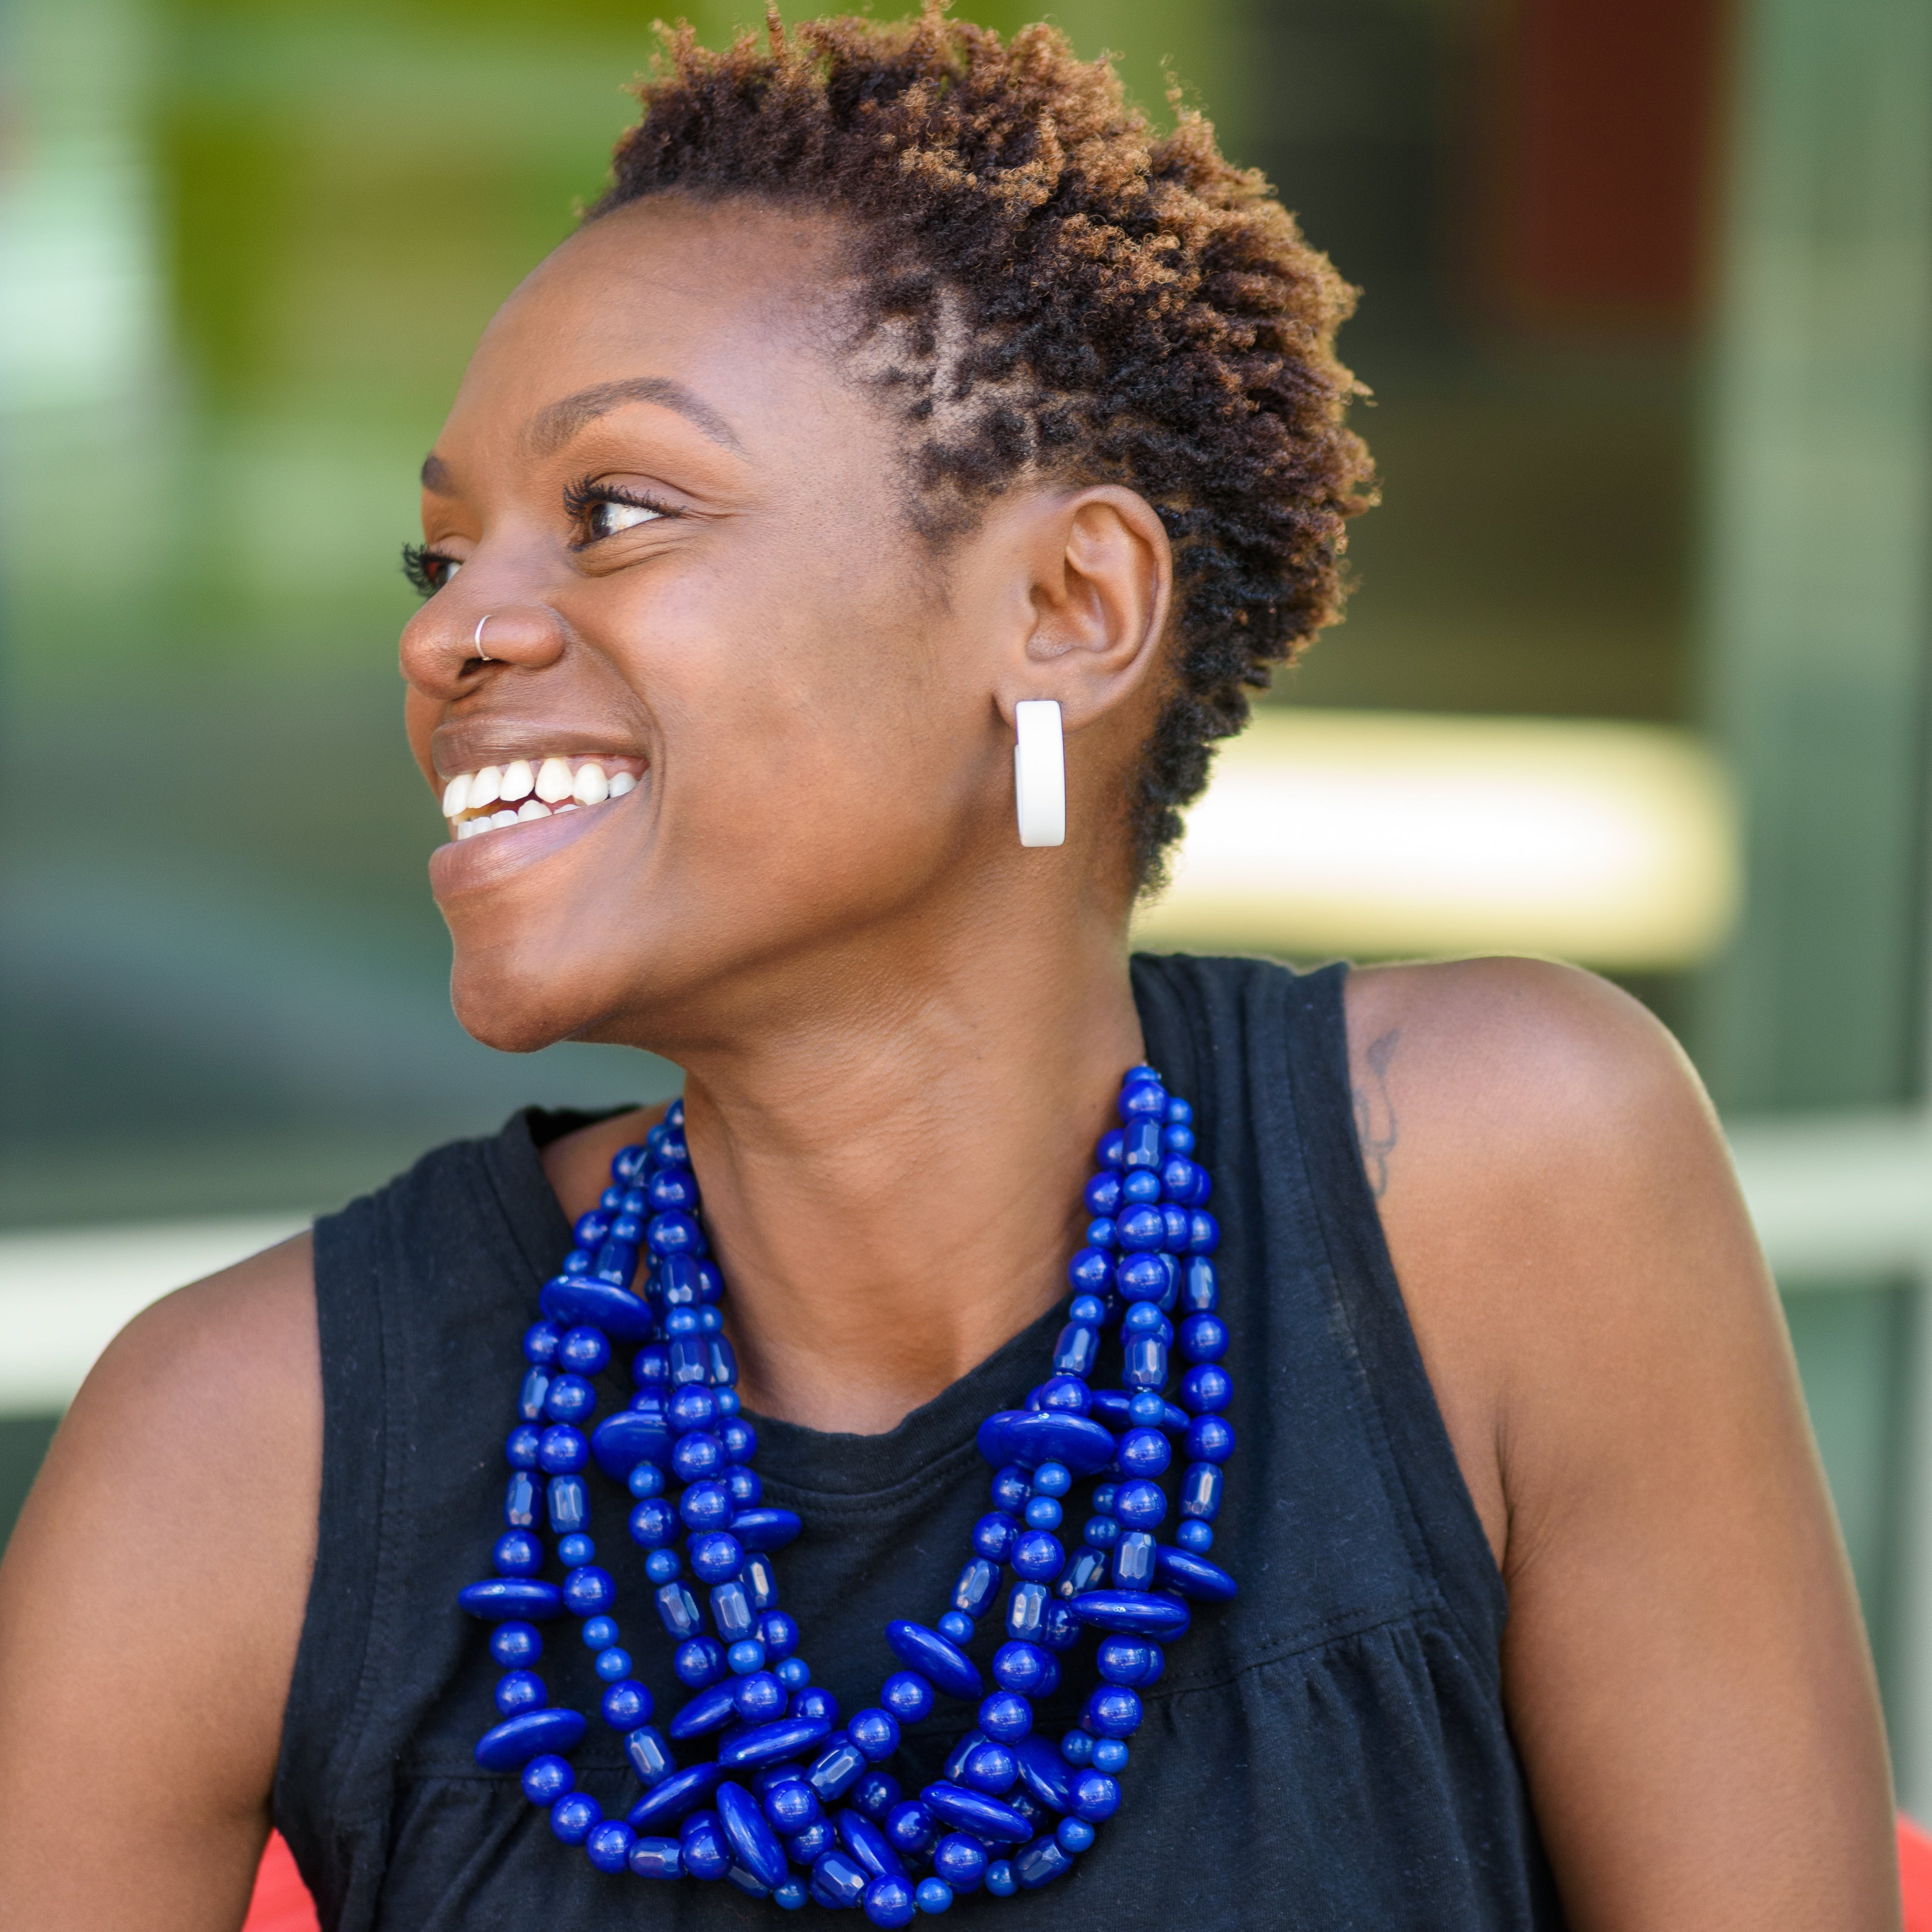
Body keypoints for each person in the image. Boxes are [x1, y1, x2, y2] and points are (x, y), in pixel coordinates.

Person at [0, 9, 1898, 1928]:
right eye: (441, 558)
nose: (457, 635)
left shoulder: (1490, 1185)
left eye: (618, 513)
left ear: (1071, 610)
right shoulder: (238, 1452)